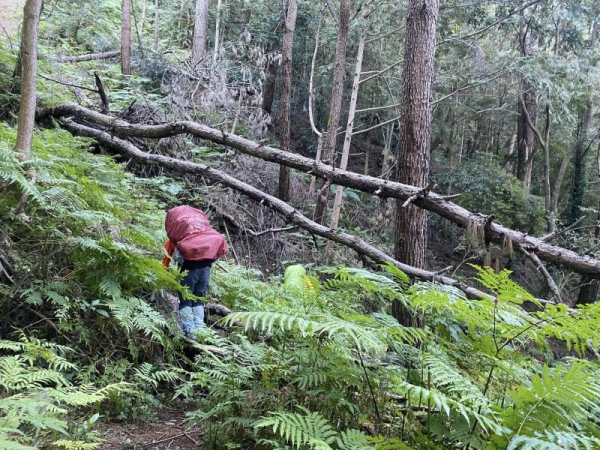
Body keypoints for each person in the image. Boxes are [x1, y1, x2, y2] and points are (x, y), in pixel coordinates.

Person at [162, 206, 228, 338]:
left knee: (186, 302)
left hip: (189, 271)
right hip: (206, 270)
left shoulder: (175, 240)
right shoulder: (204, 235)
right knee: (198, 300)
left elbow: (165, 264)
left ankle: (191, 334)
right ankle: (201, 333)